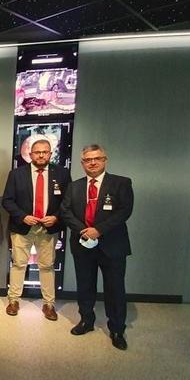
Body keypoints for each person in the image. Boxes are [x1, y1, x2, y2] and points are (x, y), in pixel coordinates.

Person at [60, 144, 134, 350]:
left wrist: (98, 230)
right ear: (82, 163)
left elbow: (124, 211)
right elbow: (65, 211)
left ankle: (117, 328)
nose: (92, 163)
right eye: (87, 160)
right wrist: (84, 230)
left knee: (115, 288)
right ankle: (86, 321)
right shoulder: (74, 186)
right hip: (83, 244)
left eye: (97, 158)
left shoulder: (121, 183)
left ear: (105, 160)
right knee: (85, 285)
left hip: (112, 245)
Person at [1, 139, 70, 320]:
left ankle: (49, 304)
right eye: (37, 152)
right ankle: (14, 300)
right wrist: (23, 216)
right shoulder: (16, 174)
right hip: (22, 226)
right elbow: (7, 200)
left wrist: (56, 217)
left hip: (49, 228)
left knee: (47, 266)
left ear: (50, 153)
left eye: (45, 152)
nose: (41, 155)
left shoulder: (62, 174)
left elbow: (68, 203)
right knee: (18, 264)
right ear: (30, 154)